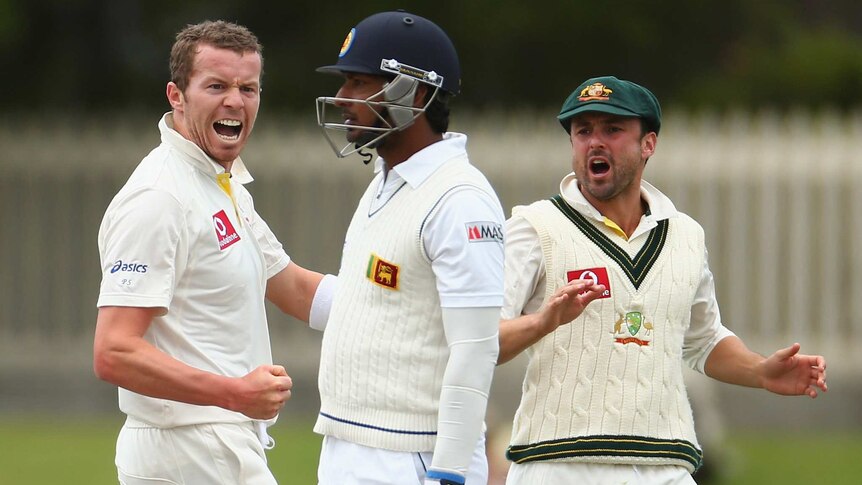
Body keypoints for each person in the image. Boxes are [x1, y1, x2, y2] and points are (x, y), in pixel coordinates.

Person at [497, 75, 828, 484]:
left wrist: (761, 371)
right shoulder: (534, 227)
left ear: (648, 144)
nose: (595, 142)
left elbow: (703, 340)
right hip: (560, 464)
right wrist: (544, 321)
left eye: (613, 129)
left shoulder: (685, 235)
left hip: (666, 465)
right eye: (583, 131)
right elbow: (482, 341)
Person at [93, 20, 334, 485]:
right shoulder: (160, 196)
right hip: (184, 451)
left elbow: (296, 289)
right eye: (217, 86)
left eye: (248, 88)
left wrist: (402, 310)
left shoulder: (219, 183)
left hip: (219, 445)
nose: (235, 101)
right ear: (176, 96)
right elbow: (113, 351)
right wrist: (234, 393)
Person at [313, 11, 504, 485]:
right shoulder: (386, 183)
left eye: (359, 83)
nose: (341, 99)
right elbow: (368, 309)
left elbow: (475, 350)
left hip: (413, 457)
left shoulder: (460, 199)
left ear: (416, 93)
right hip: (348, 444)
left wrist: (451, 473)